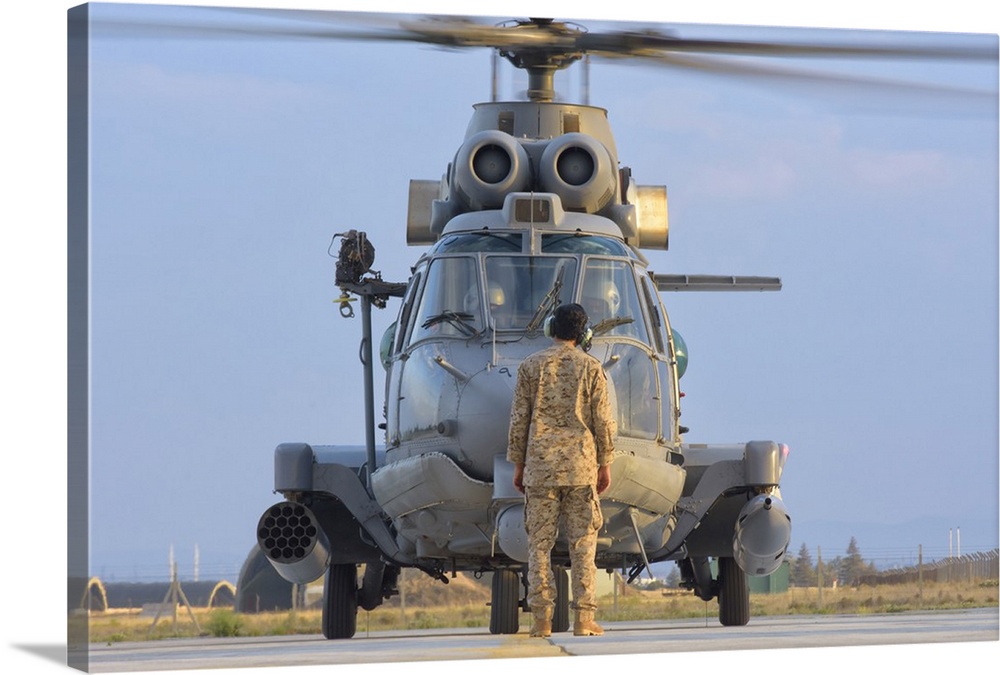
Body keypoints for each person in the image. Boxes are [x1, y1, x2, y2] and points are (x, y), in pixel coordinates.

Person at [506, 303, 616, 638]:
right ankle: (584, 620)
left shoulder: (530, 366)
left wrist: (519, 465)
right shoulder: (592, 368)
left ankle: (541, 621)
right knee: (583, 544)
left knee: (539, 546)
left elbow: (519, 421)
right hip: (581, 469)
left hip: (540, 469)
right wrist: (605, 464)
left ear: (551, 329)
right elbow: (603, 422)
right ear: (583, 334)